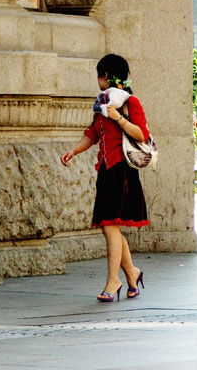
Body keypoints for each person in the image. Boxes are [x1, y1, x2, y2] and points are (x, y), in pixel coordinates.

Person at [61, 54, 148, 302]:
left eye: (100, 75)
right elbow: (93, 134)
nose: (98, 80)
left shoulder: (129, 102)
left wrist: (118, 117)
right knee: (109, 226)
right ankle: (132, 272)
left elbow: (141, 134)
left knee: (110, 224)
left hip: (122, 169)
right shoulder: (103, 102)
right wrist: (73, 151)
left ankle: (114, 280)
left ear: (108, 76)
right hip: (106, 170)